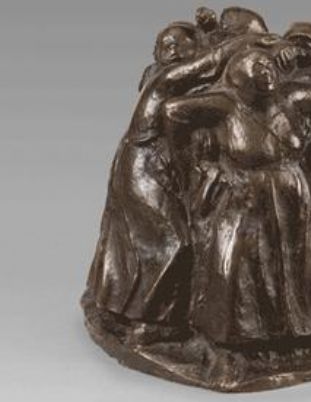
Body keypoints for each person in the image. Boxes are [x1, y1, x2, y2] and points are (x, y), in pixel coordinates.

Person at [163, 47, 311, 347]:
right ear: (240, 75)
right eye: (257, 66)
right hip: (247, 199)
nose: (267, 70)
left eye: (269, 65)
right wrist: (188, 162)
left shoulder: (291, 97)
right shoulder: (226, 105)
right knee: (237, 268)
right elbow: (172, 111)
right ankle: (235, 345)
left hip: (297, 198)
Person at [87, 23, 262, 325]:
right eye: (165, 44)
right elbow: (209, 63)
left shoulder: (181, 83)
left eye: (179, 43)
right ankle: (147, 320)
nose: (172, 49)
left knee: (148, 241)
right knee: (172, 243)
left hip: (155, 165)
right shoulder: (163, 80)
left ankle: (141, 313)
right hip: (141, 166)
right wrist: (251, 40)